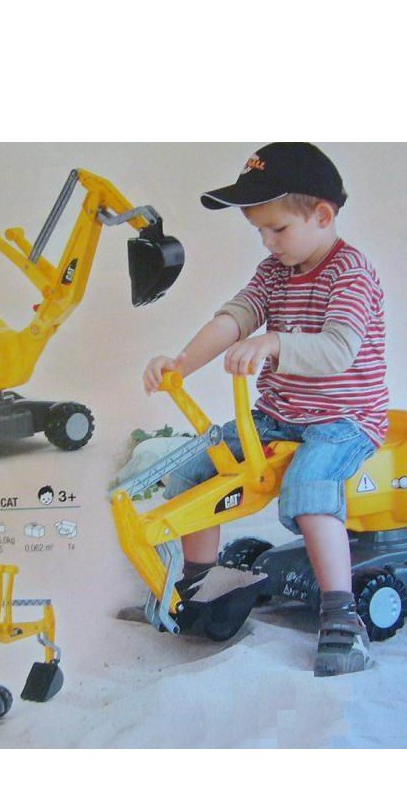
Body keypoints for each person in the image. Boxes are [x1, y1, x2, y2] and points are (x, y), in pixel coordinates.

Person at [142, 143, 388, 676]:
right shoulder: (276, 271)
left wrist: (275, 341)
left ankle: (342, 613)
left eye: (277, 228)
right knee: (194, 469)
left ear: (322, 215)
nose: (268, 242)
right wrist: (181, 364)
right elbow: (235, 317)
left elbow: (338, 351)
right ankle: (199, 585)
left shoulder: (351, 274)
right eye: (259, 231)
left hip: (343, 420)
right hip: (278, 415)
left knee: (310, 485)